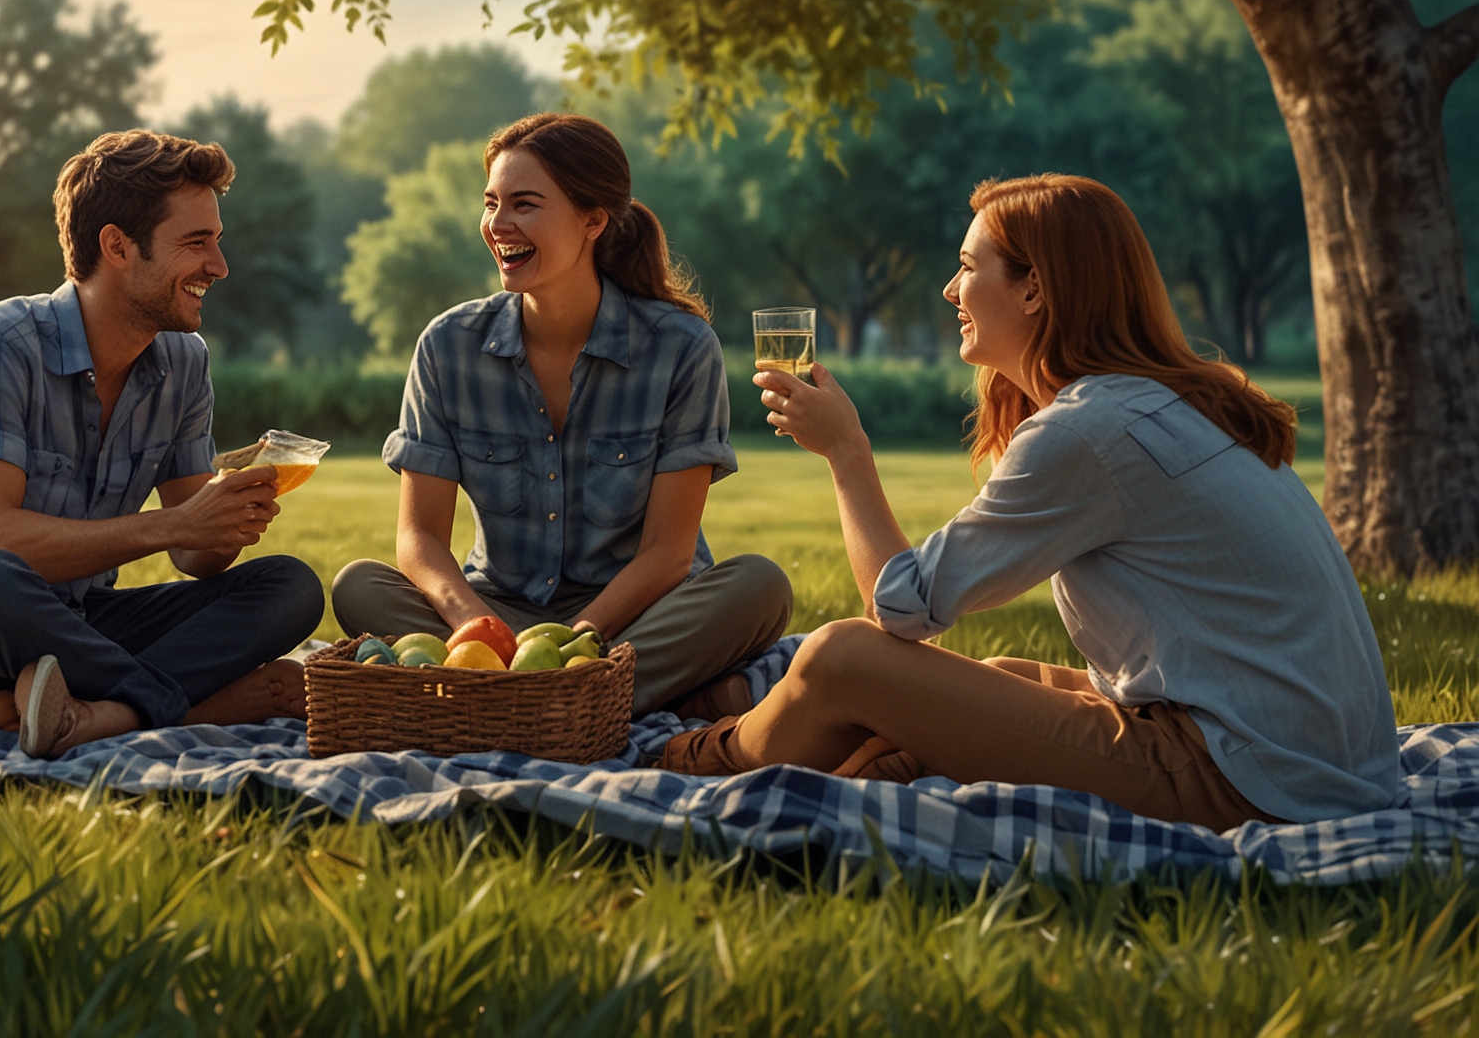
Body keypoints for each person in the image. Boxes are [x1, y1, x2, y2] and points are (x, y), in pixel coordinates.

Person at [660, 174, 1399, 830]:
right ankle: (809, 736)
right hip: (1316, 761)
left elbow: (899, 608)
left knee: (843, 656)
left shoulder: (1088, 432)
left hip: (1249, 778)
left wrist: (847, 454)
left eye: (966, 267)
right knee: (1007, 672)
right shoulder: (1164, 404)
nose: (951, 291)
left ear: (1034, 289)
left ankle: (703, 755)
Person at [0, 130, 324, 760]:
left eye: (216, 241)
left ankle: (91, 710)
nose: (219, 266)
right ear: (118, 247)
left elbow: (195, 558)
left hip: (76, 627)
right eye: (197, 243)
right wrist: (172, 525)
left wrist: (225, 517)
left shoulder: (184, 363)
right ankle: (181, 702)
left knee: (290, 586)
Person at [331, 113, 792, 717]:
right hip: (499, 610)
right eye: (492, 203)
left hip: (634, 619)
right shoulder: (447, 346)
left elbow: (668, 554)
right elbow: (419, 540)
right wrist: (478, 630)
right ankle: (603, 702)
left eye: (524, 204)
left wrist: (573, 640)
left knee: (760, 587)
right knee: (358, 585)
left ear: (593, 220)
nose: (498, 225)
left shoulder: (681, 347)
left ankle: (506, 703)